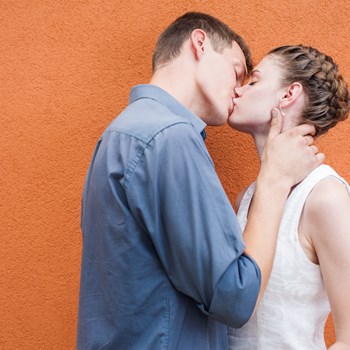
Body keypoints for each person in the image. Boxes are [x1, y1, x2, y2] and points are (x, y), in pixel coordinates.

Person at [77, 13, 323, 349]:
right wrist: (275, 180)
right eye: (237, 72)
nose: (238, 89)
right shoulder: (170, 138)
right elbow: (236, 295)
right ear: (200, 44)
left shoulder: (122, 132)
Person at [228, 45, 350, 350]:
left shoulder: (325, 197)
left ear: (288, 95)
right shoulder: (246, 198)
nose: (239, 91)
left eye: (253, 81)